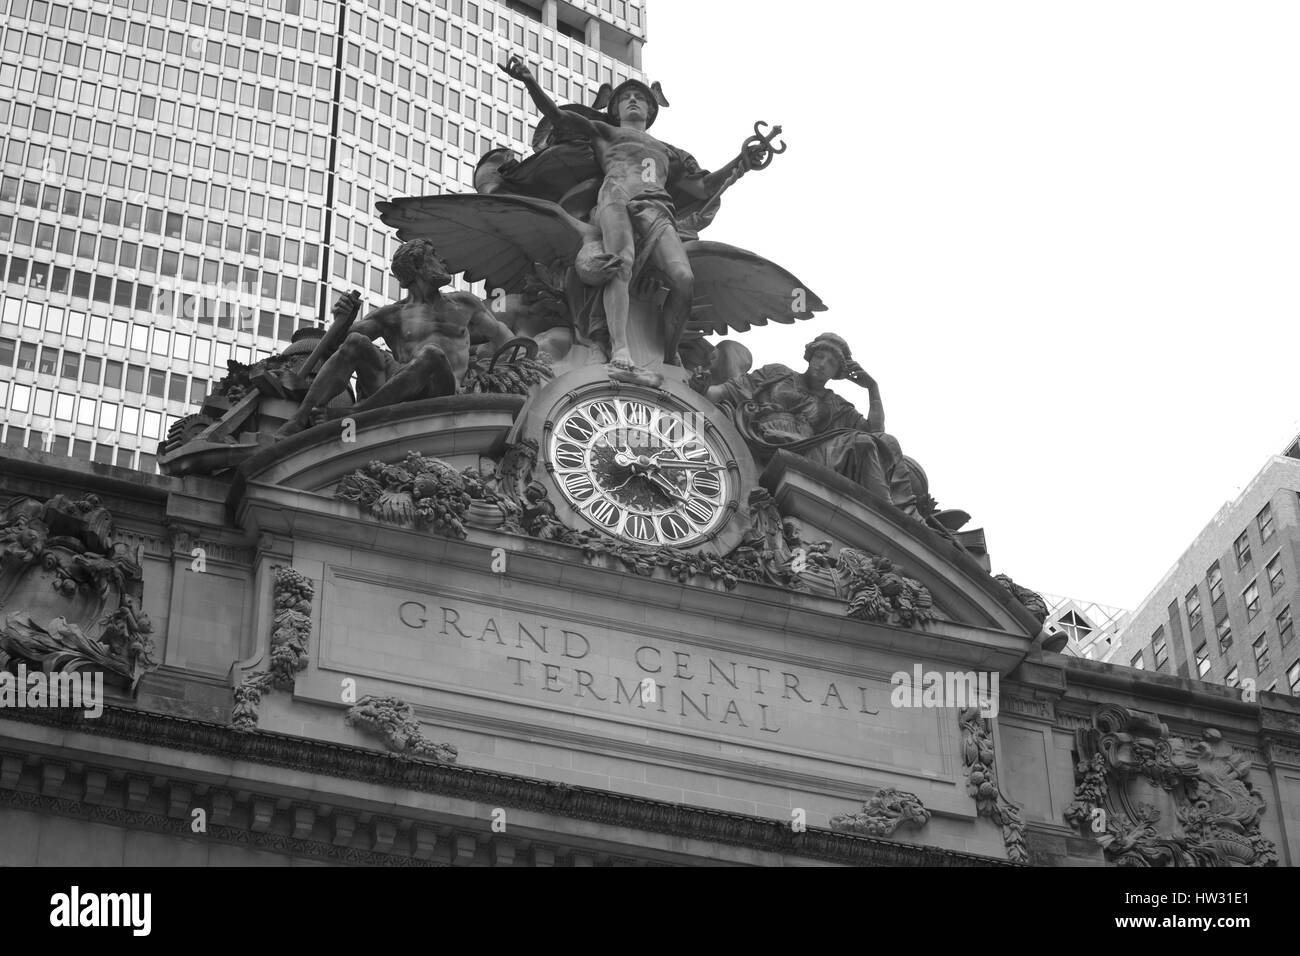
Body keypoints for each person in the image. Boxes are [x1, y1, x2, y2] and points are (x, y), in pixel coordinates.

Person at [500, 56, 756, 374]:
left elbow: (704, 187)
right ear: (615, 109)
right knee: (620, 264)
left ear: (651, 112)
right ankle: (620, 347)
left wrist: (740, 161)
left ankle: (669, 352)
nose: (633, 100)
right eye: (625, 98)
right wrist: (529, 81)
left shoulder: (670, 153)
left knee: (683, 278)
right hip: (615, 200)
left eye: (640, 98)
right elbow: (558, 116)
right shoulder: (604, 132)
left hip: (658, 209)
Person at [276, 239, 514, 437]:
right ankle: (299, 418)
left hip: (442, 389)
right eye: (434, 255)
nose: (442, 261)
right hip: (400, 387)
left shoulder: (464, 303)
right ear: (418, 266)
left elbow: (501, 335)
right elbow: (335, 347)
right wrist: (345, 319)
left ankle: (357, 412)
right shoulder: (391, 315)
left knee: (431, 354)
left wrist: (518, 364)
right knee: (355, 342)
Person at [702, 333, 918, 513]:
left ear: (837, 373)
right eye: (819, 356)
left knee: (866, 443)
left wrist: (872, 388)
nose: (823, 365)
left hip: (805, 453)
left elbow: (876, 432)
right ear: (810, 356)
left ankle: (888, 515)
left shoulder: (835, 404)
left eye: (831, 363)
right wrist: (701, 387)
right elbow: (727, 391)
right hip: (760, 437)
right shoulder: (778, 373)